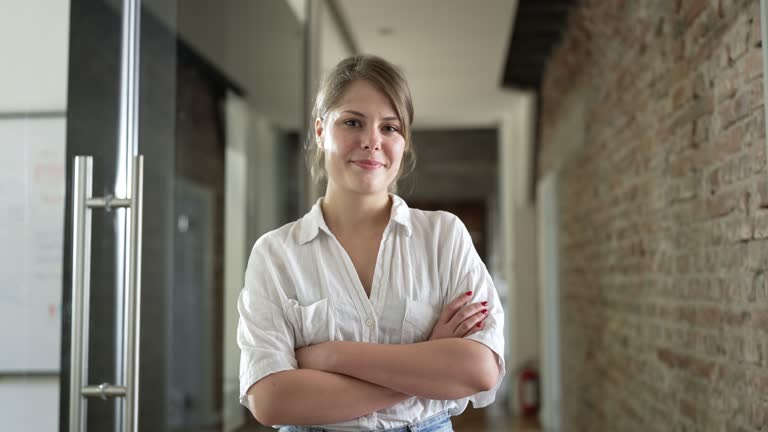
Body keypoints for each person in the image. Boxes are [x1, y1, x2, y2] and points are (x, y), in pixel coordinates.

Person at [237, 55, 505, 432]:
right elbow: (272, 400)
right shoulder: (276, 254)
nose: (371, 141)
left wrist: (331, 356)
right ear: (319, 131)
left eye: (390, 127)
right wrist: (424, 363)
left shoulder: (444, 237)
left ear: (405, 140)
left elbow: (479, 370)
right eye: (352, 122)